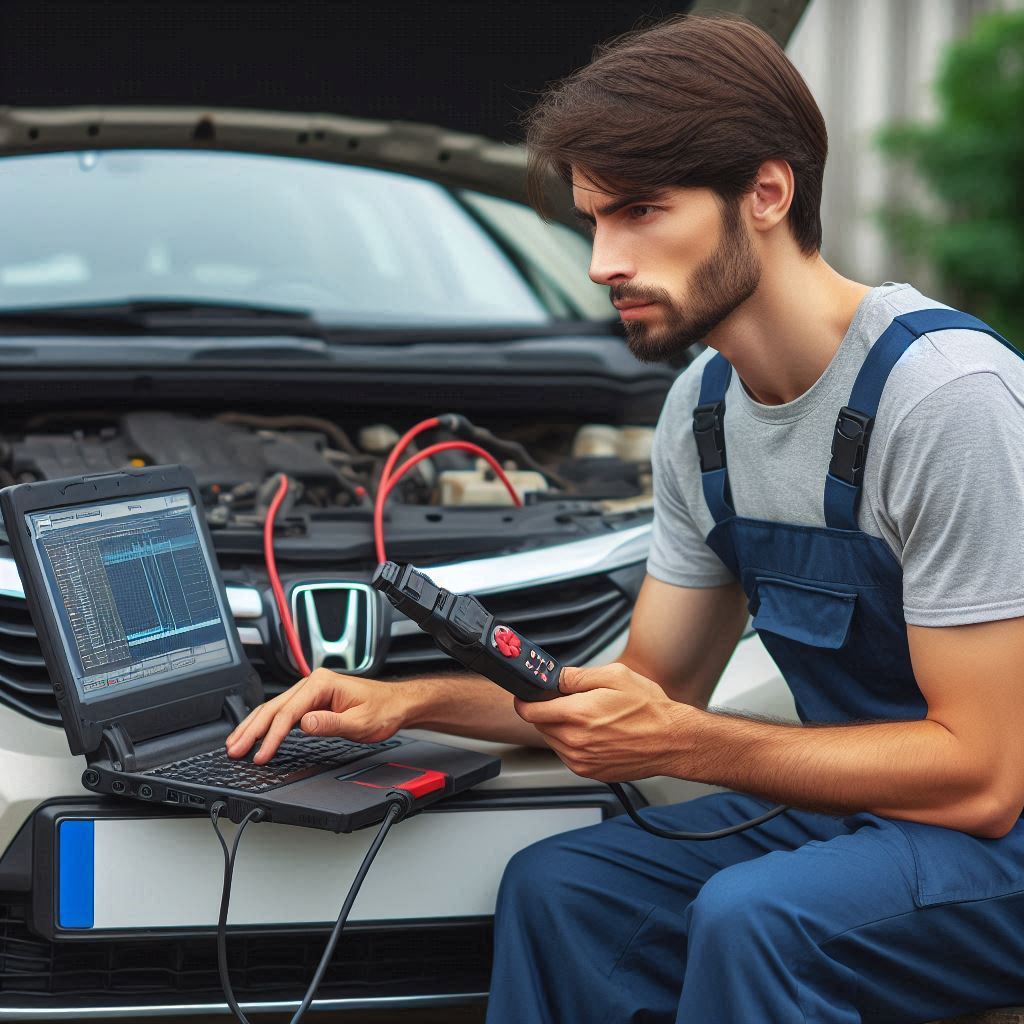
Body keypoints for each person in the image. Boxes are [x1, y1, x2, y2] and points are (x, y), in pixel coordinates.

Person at [224, 13, 1024, 1022]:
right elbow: (643, 691)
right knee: (563, 890)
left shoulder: (944, 400)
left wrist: (686, 742)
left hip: (997, 838)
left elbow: (983, 777)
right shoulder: (704, 411)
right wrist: (406, 703)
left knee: (758, 916)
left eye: (640, 210)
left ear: (766, 193)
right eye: (594, 218)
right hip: (870, 814)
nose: (602, 259)